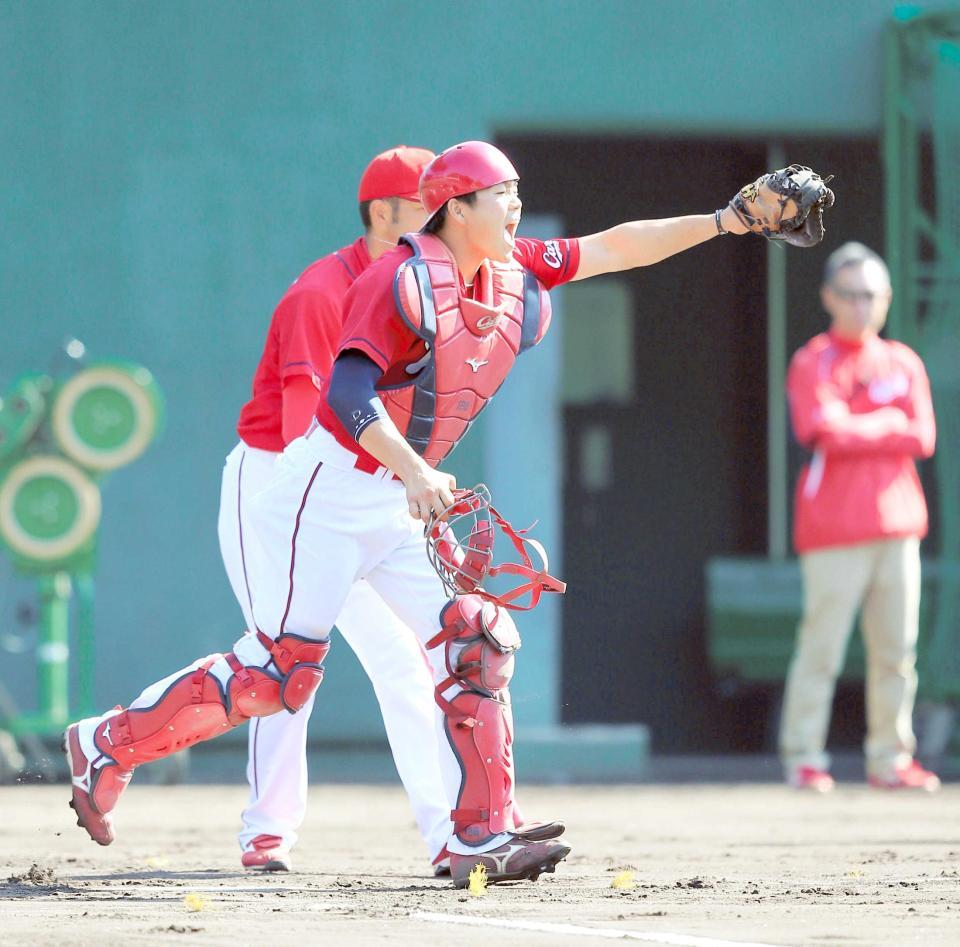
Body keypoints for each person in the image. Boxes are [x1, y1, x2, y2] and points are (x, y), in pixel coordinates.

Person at [64, 140, 789, 887]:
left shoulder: (506, 269)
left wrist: (727, 219)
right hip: (326, 489)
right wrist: (414, 470)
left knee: (473, 640)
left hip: (390, 498)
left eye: (516, 192)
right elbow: (347, 396)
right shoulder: (396, 277)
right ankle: (107, 743)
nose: (514, 205)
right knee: (281, 675)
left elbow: (616, 246)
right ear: (457, 206)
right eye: (499, 193)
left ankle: (480, 833)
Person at [218, 146, 454, 874]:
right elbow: (302, 439)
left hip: (364, 488)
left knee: (409, 663)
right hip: (279, 488)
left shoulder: (422, 290)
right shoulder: (324, 294)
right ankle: (267, 829)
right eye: (427, 205)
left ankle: (452, 830)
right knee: (288, 658)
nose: (442, 219)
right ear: (385, 213)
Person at [779, 241, 939, 793]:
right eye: (850, 294)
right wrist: (885, 422)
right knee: (821, 649)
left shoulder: (903, 361)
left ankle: (890, 759)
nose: (861, 306)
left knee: (897, 653)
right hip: (833, 531)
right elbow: (822, 428)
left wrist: (860, 423)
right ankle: (804, 756)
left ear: (887, 298)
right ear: (828, 297)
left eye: (871, 295)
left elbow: (923, 435)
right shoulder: (812, 358)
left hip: (898, 528)